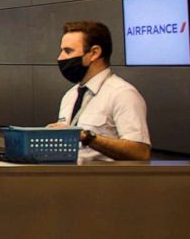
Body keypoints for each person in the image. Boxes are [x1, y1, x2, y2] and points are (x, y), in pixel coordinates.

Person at [51, 21, 151, 163]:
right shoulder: (70, 95)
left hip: (105, 182)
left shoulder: (122, 94)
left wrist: (88, 138)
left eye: (68, 51)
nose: (60, 58)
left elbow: (140, 152)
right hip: (70, 179)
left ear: (94, 53)